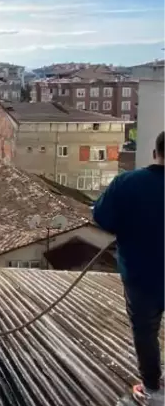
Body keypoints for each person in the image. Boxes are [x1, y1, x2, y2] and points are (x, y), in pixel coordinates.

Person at [93, 132, 165, 405]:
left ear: (155, 152)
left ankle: (153, 389)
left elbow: (102, 218)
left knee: (145, 332)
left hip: (140, 273)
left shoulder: (127, 183)